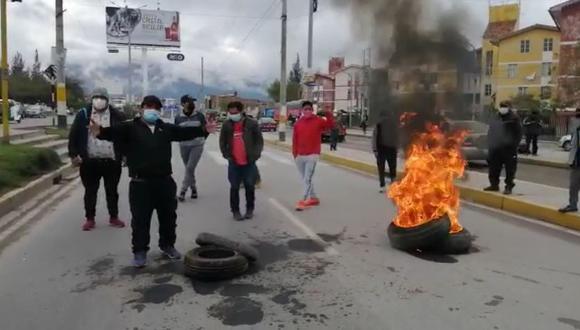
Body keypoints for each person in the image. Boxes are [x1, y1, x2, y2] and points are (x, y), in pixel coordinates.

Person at [89, 95, 211, 268]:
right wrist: (99, 131)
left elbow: (184, 133)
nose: (151, 109)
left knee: (168, 217)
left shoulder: (165, 128)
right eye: (148, 106)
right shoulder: (130, 127)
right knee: (140, 220)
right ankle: (140, 251)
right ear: (141, 108)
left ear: (159, 111)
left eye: (155, 107)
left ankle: (167, 245)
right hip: (140, 184)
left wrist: (204, 130)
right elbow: (111, 133)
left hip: (164, 182)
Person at [68, 87, 126, 231]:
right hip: (90, 161)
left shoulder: (117, 115)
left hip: (111, 161)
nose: (99, 100)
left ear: (107, 100)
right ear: (92, 99)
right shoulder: (83, 114)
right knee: (90, 191)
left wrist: (125, 155)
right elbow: (73, 135)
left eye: (102, 97)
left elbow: (125, 136)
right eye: (96, 97)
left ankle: (113, 217)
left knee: (112, 190)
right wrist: (73, 154)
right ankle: (90, 218)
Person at [219, 102, 264, 221]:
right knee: (234, 187)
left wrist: (256, 154)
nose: (233, 114)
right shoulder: (226, 125)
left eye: (235, 112)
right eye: (231, 112)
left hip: (249, 162)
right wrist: (226, 155)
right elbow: (222, 142)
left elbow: (259, 141)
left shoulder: (252, 123)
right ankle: (235, 211)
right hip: (233, 162)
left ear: (240, 111)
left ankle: (250, 209)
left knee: (250, 186)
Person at [292, 101, 335, 211]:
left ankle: (303, 201)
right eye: (305, 109)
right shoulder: (298, 123)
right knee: (306, 179)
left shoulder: (318, 121)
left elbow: (330, 125)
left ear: (312, 110)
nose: (307, 111)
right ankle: (314, 198)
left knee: (307, 179)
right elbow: (295, 139)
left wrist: (328, 113)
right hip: (299, 156)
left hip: (312, 155)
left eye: (309, 109)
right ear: (302, 111)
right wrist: (295, 154)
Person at [485, 101, 522, 195]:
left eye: (504, 106)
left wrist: (514, 145)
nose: (502, 108)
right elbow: (491, 131)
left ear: (508, 107)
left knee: (510, 169)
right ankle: (494, 185)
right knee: (493, 168)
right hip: (496, 147)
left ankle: (508, 187)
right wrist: (490, 144)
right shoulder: (496, 117)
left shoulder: (514, 118)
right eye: (501, 106)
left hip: (509, 149)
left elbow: (518, 133)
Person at [175, 95, 207, 201]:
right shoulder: (178, 117)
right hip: (184, 146)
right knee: (189, 169)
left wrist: (201, 140)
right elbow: (177, 131)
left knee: (189, 167)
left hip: (196, 145)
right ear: (183, 104)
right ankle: (193, 188)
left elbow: (205, 129)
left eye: (193, 101)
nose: (192, 104)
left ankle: (183, 191)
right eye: (189, 102)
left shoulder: (199, 116)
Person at [559, 108, 580, 213]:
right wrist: (571, 161)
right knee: (573, 186)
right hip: (576, 162)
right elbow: (574, 146)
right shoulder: (576, 129)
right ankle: (572, 205)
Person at [372, 111, 399, 193]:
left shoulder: (378, 125)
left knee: (382, 169)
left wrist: (375, 150)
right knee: (392, 168)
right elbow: (396, 137)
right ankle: (392, 184)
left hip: (382, 150)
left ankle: (383, 185)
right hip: (390, 149)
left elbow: (374, 137)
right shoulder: (393, 125)